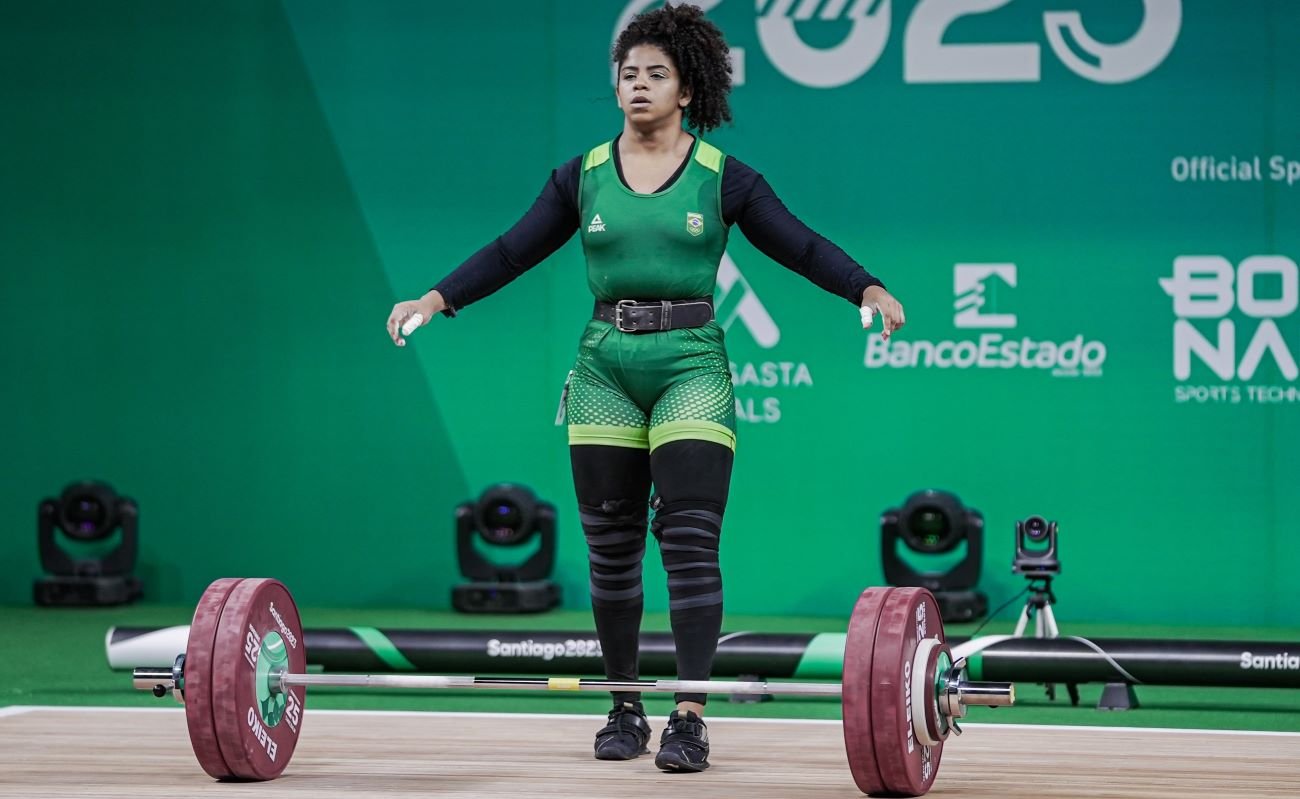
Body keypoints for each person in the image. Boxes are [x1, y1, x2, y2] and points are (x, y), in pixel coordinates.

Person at [386, 2, 905, 773]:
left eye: (655, 74)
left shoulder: (724, 178)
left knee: (690, 543)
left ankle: (689, 714)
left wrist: (865, 287)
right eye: (627, 74)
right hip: (604, 364)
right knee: (612, 549)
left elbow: (797, 244)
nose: (637, 85)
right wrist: (435, 298)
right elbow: (511, 250)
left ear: (686, 89)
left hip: (691, 361)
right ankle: (624, 704)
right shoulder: (583, 176)